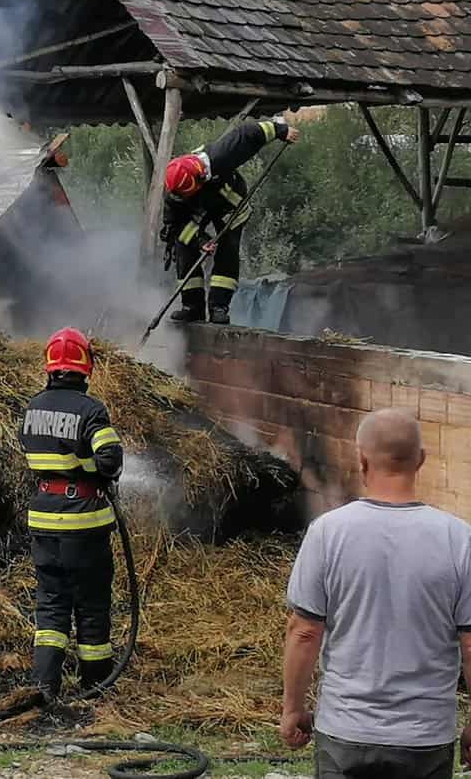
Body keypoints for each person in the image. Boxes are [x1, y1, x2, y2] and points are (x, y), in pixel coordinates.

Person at [280, 408, 471, 778]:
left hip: (345, 731)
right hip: (424, 735)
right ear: (421, 460)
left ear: (361, 458)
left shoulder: (328, 532)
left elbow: (304, 631)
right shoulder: (459, 539)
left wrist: (292, 708)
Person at [19, 327, 123, 704]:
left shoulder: (32, 407)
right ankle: (95, 684)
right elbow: (110, 458)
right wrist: (90, 468)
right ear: (85, 368)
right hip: (83, 521)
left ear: (50, 367)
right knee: (91, 602)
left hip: (43, 517)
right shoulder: (91, 409)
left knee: (51, 602)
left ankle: (44, 686)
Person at [160, 118, 300, 325]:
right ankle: (192, 307)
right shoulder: (173, 192)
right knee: (183, 247)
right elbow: (176, 225)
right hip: (200, 211)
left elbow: (249, 132)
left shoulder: (219, 157)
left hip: (230, 207)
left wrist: (282, 130)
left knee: (228, 250)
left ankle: (218, 306)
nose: (181, 198)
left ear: (199, 179)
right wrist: (200, 240)